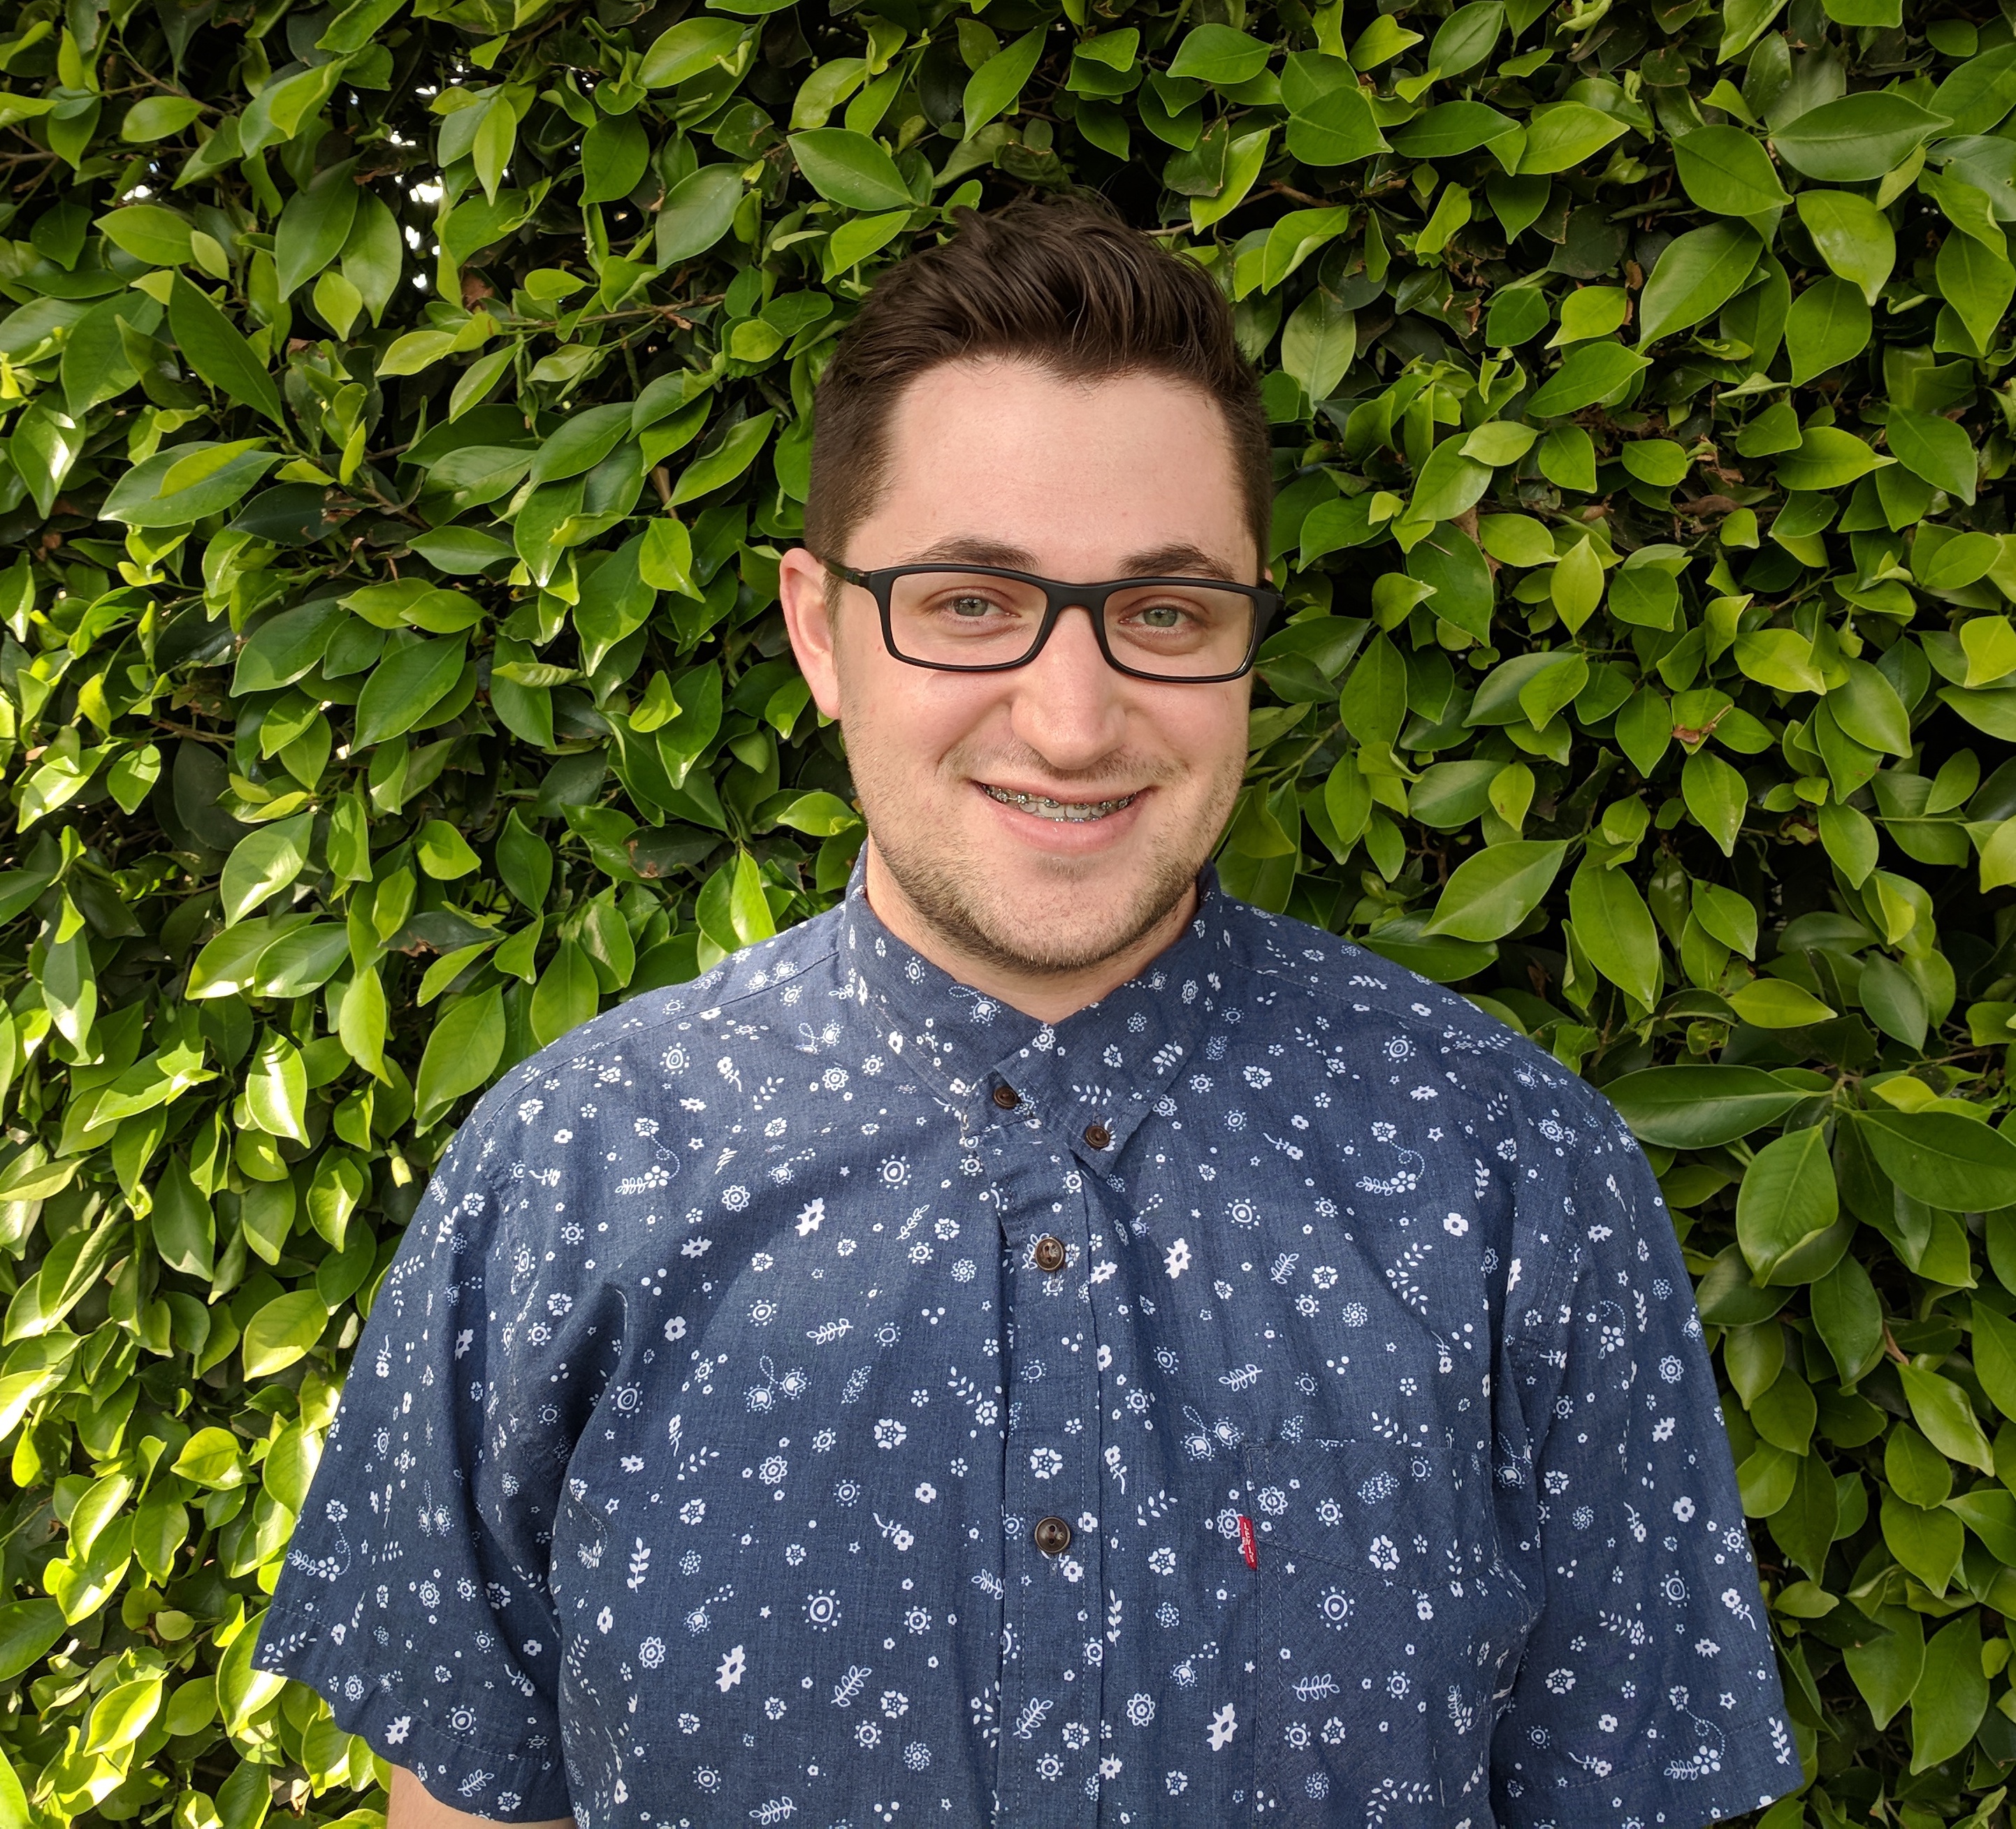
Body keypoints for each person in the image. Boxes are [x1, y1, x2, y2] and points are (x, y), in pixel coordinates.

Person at [256, 192, 1799, 1829]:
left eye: (1166, 613)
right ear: (820, 632)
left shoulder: (1514, 1173)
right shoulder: (565, 1172)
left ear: (1248, 641)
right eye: (971, 602)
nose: (1072, 721)